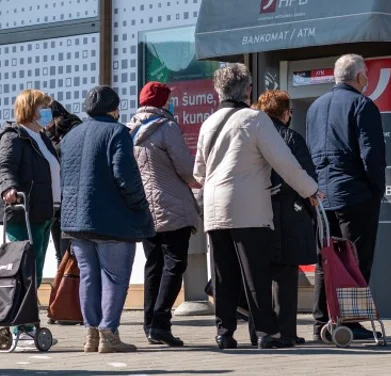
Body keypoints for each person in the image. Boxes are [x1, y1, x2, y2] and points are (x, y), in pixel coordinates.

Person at [195, 64, 320, 350]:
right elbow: (285, 162)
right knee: (255, 274)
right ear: (248, 89)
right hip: (248, 208)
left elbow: (199, 171)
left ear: (218, 91)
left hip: (215, 209)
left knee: (224, 273)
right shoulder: (255, 120)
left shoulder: (208, 123)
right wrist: (310, 190)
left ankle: (224, 333)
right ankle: (266, 332)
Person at [60, 86, 155, 354]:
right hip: (112, 219)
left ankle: (91, 336)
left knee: (88, 277)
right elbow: (126, 177)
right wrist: (139, 206)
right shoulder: (117, 132)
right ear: (114, 110)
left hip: (76, 220)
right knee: (114, 277)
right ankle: (108, 335)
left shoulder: (71, 135)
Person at [306, 54, 385, 341]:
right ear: (359, 77)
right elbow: (372, 155)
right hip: (355, 194)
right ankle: (349, 321)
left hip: (323, 195)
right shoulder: (362, 105)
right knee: (355, 259)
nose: (368, 79)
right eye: (366, 74)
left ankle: (321, 321)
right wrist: (376, 189)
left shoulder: (315, 107)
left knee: (325, 260)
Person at [127, 82, 201, 348]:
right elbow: (185, 168)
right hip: (172, 205)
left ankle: (149, 323)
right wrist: (202, 176)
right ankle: (160, 322)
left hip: (145, 207)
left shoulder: (130, 129)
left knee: (153, 264)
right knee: (175, 263)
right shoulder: (166, 127)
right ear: (163, 102)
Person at [0, 89, 60, 333]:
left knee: (36, 272)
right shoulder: (14, 136)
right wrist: (8, 187)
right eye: (44, 106)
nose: (48, 111)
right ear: (31, 109)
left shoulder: (43, 137)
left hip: (42, 211)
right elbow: (5, 167)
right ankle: (19, 327)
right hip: (22, 211)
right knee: (23, 270)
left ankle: (26, 322)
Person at [253, 90, 318, 346]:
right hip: (288, 212)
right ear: (284, 113)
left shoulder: (252, 133)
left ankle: (261, 330)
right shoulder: (291, 137)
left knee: (258, 273)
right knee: (286, 274)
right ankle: (286, 331)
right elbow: (305, 175)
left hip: (257, 212)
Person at [43, 100, 83, 267]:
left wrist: (50, 138)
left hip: (72, 200)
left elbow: (61, 155)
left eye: (45, 115)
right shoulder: (46, 134)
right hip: (56, 201)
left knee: (71, 252)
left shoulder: (74, 129)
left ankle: (72, 290)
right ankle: (62, 290)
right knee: (60, 253)